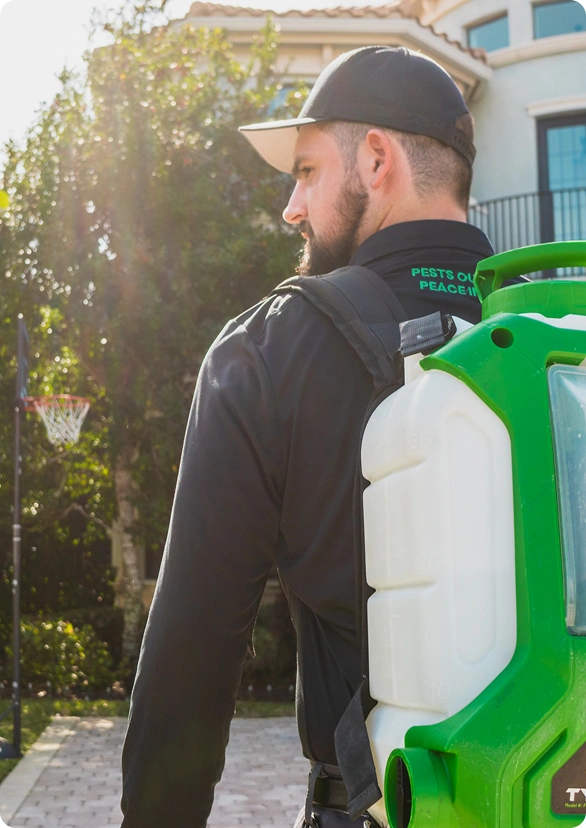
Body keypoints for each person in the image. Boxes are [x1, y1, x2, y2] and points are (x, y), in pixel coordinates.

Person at [120, 46, 495, 828]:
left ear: (378, 160)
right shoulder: (558, 337)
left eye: (307, 170)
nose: (293, 207)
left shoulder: (267, 351)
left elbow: (190, 662)